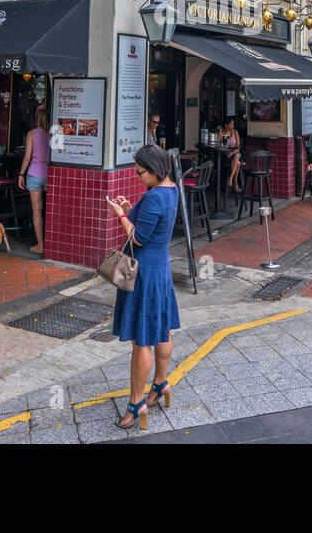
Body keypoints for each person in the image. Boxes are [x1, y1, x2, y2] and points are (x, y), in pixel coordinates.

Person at [106, 145, 181, 431]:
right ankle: (161, 383)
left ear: (154, 169)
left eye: (141, 173)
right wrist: (128, 209)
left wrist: (121, 216)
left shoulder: (154, 197)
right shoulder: (171, 189)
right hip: (161, 267)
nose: (138, 177)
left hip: (144, 272)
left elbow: (138, 239)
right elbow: (150, 224)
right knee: (163, 329)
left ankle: (136, 403)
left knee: (142, 340)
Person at [18, 106, 51, 254]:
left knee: (37, 210)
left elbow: (27, 157)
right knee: (50, 209)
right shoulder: (53, 134)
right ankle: (52, 242)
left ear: (37, 119)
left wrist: (21, 174)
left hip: (34, 174)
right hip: (50, 174)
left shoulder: (32, 134)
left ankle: (40, 244)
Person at [218, 116, 242, 192]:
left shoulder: (235, 132)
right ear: (226, 125)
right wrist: (220, 132)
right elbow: (218, 143)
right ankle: (235, 184)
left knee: (237, 156)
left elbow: (238, 147)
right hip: (225, 154)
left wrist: (232, 153)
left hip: (234, 152)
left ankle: (230, 179)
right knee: (237, 163)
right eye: (231, 124)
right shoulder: (222, 131)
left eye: (233, 124)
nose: (233, 125)